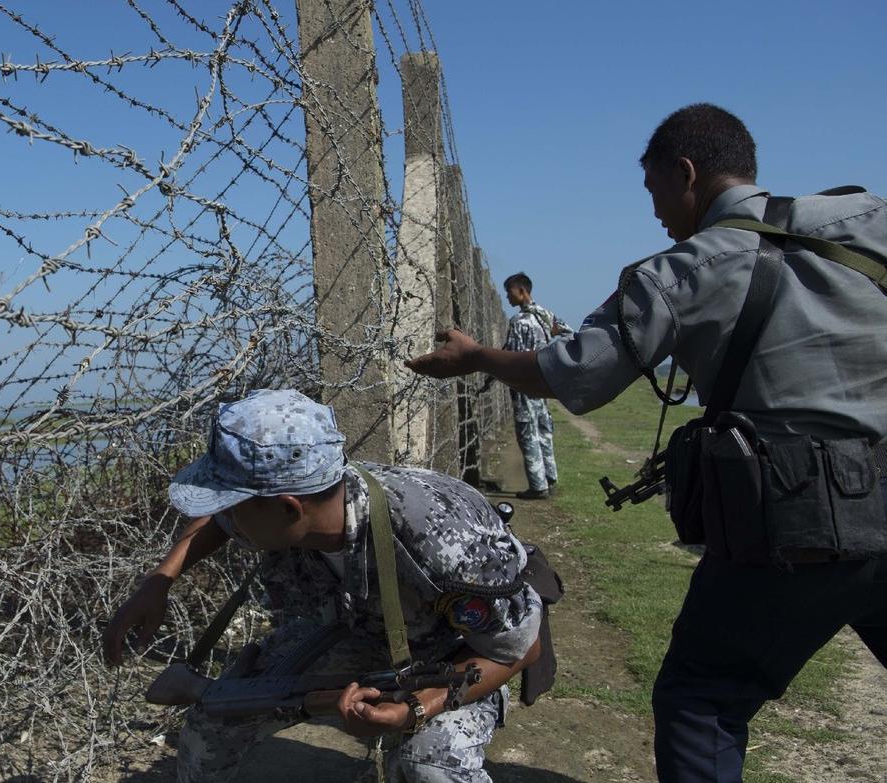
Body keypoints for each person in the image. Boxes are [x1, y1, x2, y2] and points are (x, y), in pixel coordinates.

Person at [405, 103, 887, 782]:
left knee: (703, 699)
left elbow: (572, 371)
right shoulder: (866, 221)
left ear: (686, 174)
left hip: (796, 518)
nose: (658, 213)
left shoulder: (685, 269)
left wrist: (479, 356)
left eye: (656, 192)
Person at [102, 389, 542, 782]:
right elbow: (217, 524)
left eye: (232, 506)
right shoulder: (295, 504)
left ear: (290, 509)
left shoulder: (441, 543)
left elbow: (520, 649)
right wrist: (159, 581)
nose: (226, 519)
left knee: (429, 765)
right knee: (213, 722)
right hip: (351, 630)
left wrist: (416, 709)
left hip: (450, 655)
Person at [501, 272, 572, 500]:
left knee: (527, 432)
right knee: (543, 430)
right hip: (542, 381)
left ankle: (537, 486)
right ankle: (550, 478)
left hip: (523, 383)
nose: (507, 298)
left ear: (522, 291)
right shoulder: (545, 315)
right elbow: (570, 332)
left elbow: (509, 358)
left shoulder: (519, 322)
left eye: (509, 292)